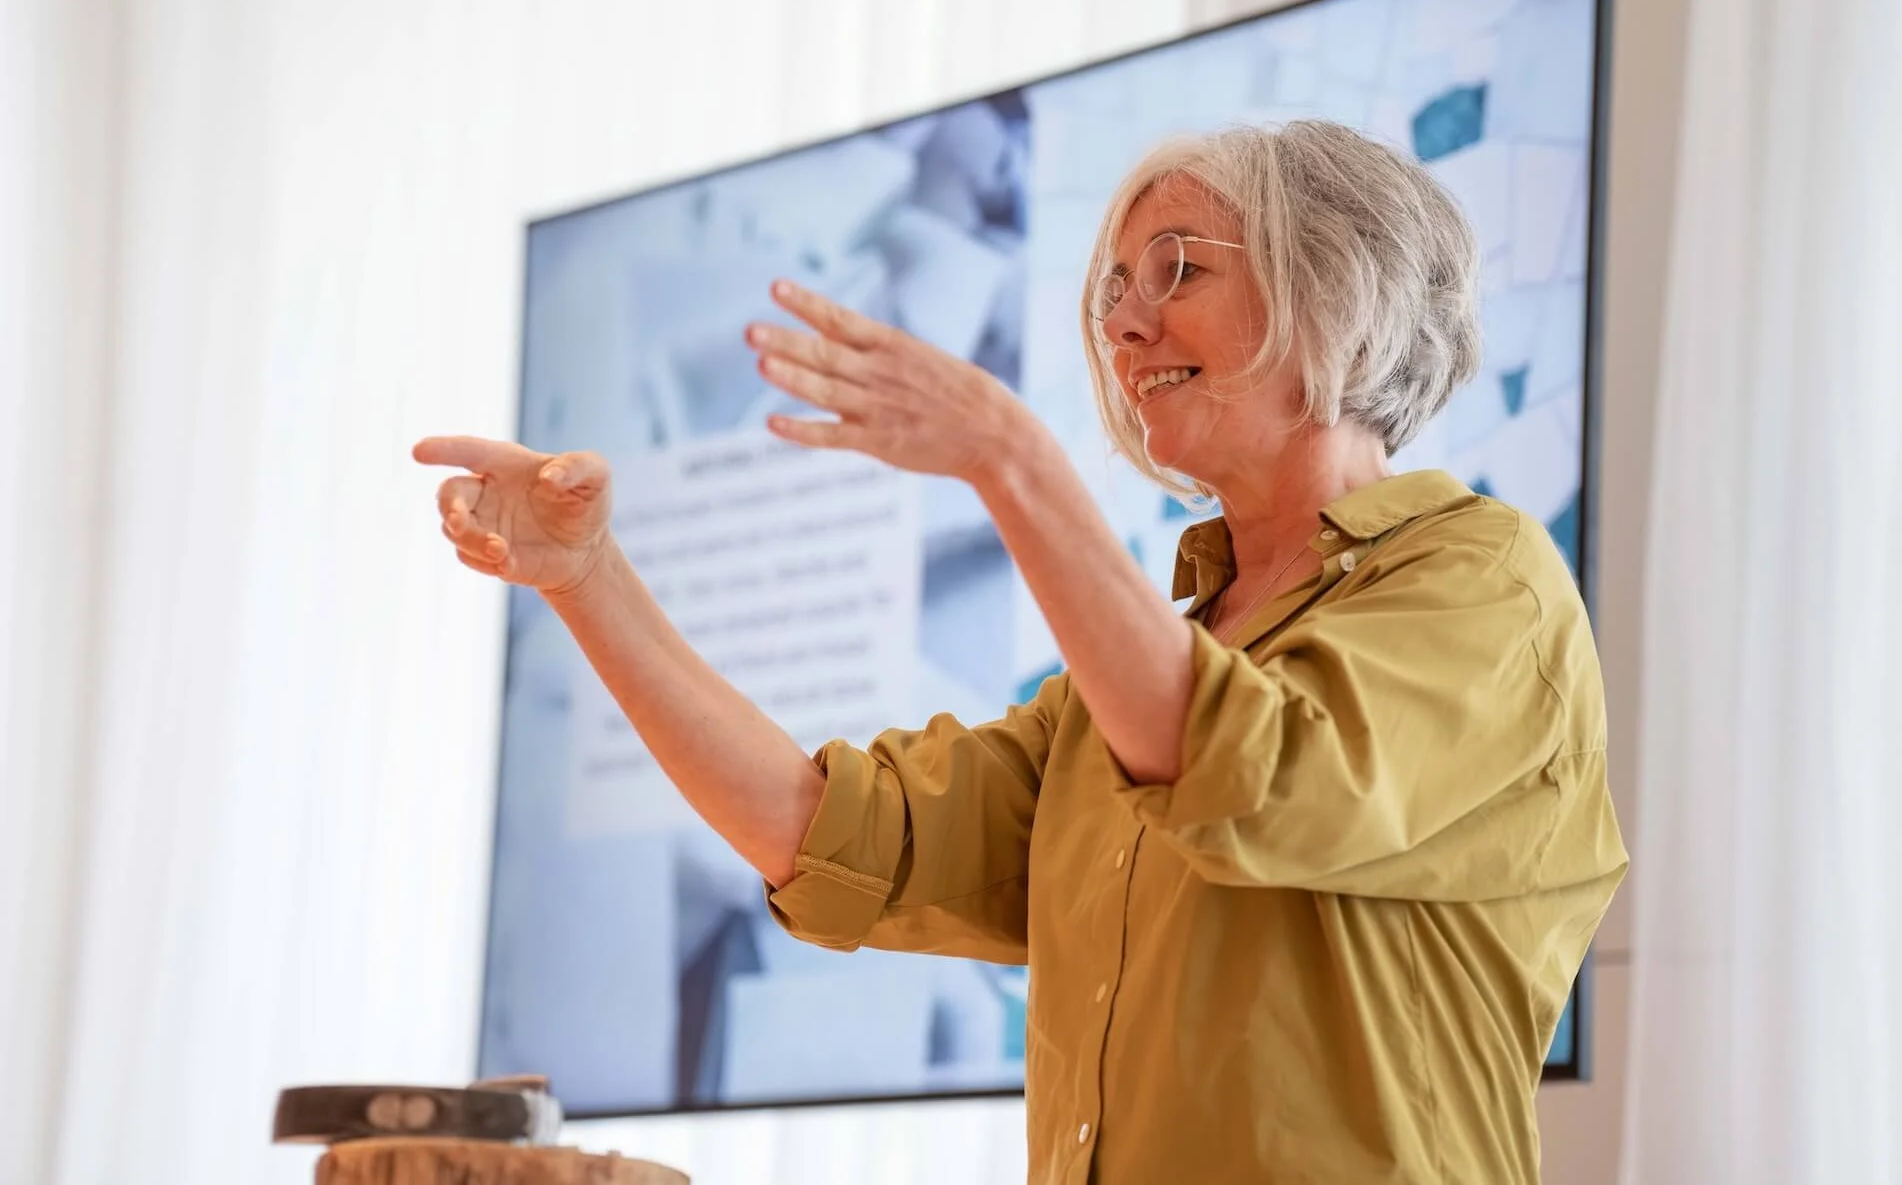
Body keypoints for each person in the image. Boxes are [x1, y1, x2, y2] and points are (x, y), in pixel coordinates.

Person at [416, 119, 1627, 1183]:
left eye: (1176, 269)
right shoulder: (1121, 693)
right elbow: (819, 830)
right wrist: (584, 579)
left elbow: (1251, 773)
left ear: (1334, 285)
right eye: (1108, 290)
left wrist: (1007, 455)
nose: (1124, 320)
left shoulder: (1481, 580)